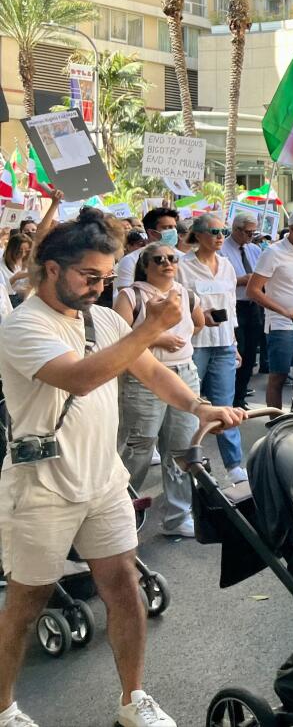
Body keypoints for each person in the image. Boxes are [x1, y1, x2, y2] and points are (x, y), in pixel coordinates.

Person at [0, 210, 244, 727]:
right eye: (89, 277)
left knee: (125, 587)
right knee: (26, 605)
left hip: (104, 480)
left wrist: (198, 407)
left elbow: (151, 371)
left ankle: (134, 700)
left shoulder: (105, 319)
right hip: (42, 487)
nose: (98, 287)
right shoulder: (23, 325)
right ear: (50, 268)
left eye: (106, 279)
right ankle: (4, 709)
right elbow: (82, 378)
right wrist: (151, 328)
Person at [113, 242, 205, 537]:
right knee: (140, 445)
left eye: (172, 258)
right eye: (159, 259)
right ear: (145, 264)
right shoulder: (131, 295)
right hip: (142, 377)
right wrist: (156, 339)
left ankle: (178, 516)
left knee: (181, 447)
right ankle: (119, 509)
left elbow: (199, 324)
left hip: (184, 372)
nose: (166, 263)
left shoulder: (185, 293)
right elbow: (117, 339)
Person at [178, 214, 245, 485]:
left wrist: (236, 343)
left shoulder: (227, 265)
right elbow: (175, 304)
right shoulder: (182, 266)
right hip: (194, 345)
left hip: (224, 343)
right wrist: (196, 316)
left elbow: (232, 305)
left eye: (223, 231)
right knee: (188, 407)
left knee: (225, 405)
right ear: (199, 234)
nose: (220, 236)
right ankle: (190, 461)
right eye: (214, 231)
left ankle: (234, 465)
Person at [247, 209, 293, 412]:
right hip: (281, 324)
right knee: (278, 375)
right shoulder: (272, 252)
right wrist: (284, 312)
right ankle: (276, 421)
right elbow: (253, 290)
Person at [221, 212, 263, 408]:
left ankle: (240, 397)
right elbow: (218, 280)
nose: (250, 236)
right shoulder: (221, 249)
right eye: (247, 232)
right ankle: (227, 397)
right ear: (236, 229)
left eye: (254, 233)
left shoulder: (254, 249)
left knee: (249, 354)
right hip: (234, 304)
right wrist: (241, 280)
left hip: (253, 305)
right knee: (237, 351)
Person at [116, 207, 178, 290]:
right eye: (167, 228)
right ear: (151, 232)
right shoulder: (130, 261)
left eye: (174, 227)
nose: (173, 231)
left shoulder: (181, 257)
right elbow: (125, 295)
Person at [1, 233, 32, 307]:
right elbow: (2, 291)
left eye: (26, 251)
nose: (22, 254)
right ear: (11, 250)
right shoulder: (2, 266)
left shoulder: (26, 262)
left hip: (24, 300)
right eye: (19, 251)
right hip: (7, 303)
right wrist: (15, 278)